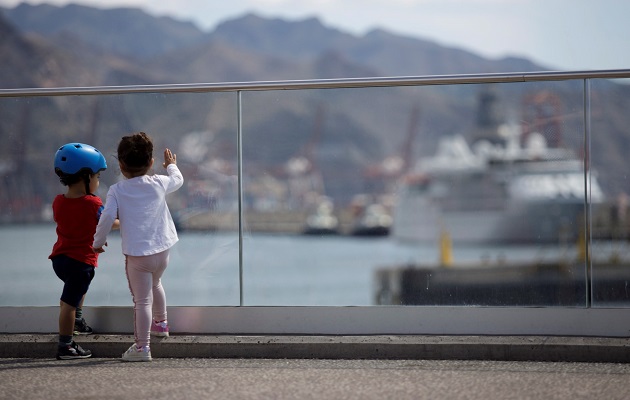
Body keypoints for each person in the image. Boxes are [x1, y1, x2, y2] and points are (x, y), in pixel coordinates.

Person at [93, 132, 183, 362]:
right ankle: (161, 324)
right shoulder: (158, 182)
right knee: (157, 283)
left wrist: (98, 241)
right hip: (163, 251)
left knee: (142, 301)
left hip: (138, 256)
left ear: (121, 165)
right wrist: (171, 166)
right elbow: (178, 180)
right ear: (151, 162)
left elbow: (106, 218)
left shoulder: (116, 190)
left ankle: (142, 347)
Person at [49, 142, 113, 360]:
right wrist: (125, 221)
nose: (97, 181)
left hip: (60, 259)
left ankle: (77, 320)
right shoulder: (93, 204)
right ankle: (65, 346)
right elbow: (107, 221)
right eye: (96, 176)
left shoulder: (58, 202)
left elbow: (76, 225)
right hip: (80, 262)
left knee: (76, 292)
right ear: (85, 176)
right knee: (68, 304)